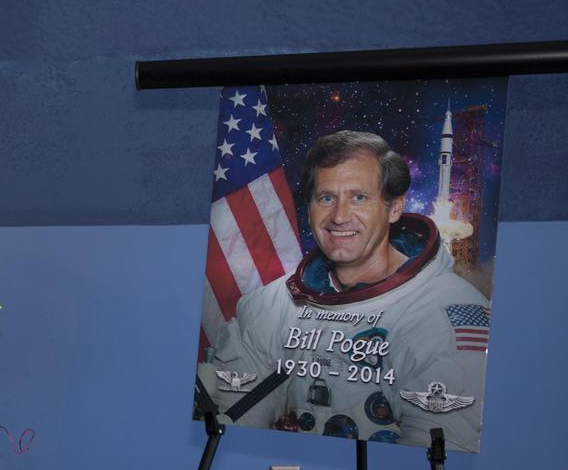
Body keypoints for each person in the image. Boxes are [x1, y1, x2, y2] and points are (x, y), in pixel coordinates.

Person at [199, 131, 490, 451]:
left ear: (394, 207)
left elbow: (441, 464)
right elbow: (232, 437)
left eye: (358, 197)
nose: (339, 216)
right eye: (326, 197)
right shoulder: (271, 307)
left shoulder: (448, 313)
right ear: (309, 208)